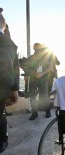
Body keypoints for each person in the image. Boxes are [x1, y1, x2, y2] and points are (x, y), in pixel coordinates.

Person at [0, 9, 19, 153]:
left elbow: (6, 67)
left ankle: (3, 140)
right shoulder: (6, 41)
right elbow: (7, 67)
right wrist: (14, 91)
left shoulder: (5, 41)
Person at [22, 43, 54, 120]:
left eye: (38, 48)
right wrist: (26, 75)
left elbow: (50, 67)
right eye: (35, 48)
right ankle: (34, 113)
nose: (36, 49)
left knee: (44, 97)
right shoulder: (31, 57)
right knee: (32, 97)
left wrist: (42, 73)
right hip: (32, 80)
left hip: (43, 79)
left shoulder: (46, 57)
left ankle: (47, 111)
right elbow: (25, 67)